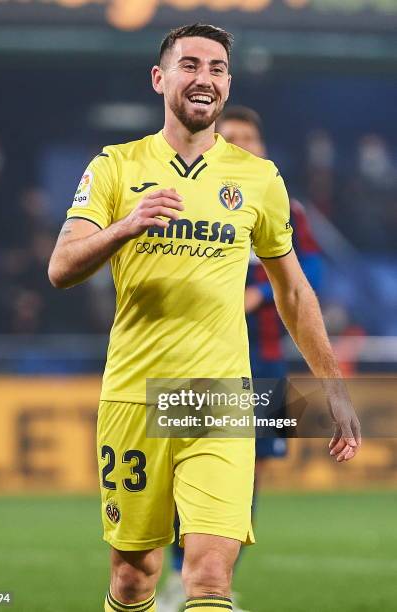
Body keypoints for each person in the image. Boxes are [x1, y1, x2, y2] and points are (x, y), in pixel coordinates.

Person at [48, 24, 361, 612]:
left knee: (211, 571)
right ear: (159, 78)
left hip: (219, 395)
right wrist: (125, 226)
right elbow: (61, 267)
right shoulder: (115, 167)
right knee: (133, 576)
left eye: (217, 68)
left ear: (227, 84)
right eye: (190, 65)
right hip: (135, 395)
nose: (204, 78)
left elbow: (293, 289)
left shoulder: (258, 178)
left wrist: (332, 384)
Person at [157, 106, 323, 612]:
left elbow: (308, 272)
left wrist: (256, 292)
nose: (243, 146)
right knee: (183, 473)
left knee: (248, 476)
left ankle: (216, 578)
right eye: (232, 138)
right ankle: (174, 577)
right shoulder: (186, 199)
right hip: (196, 361)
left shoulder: (284, 207)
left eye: (250, 138)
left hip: (265, 362)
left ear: (264, 148)